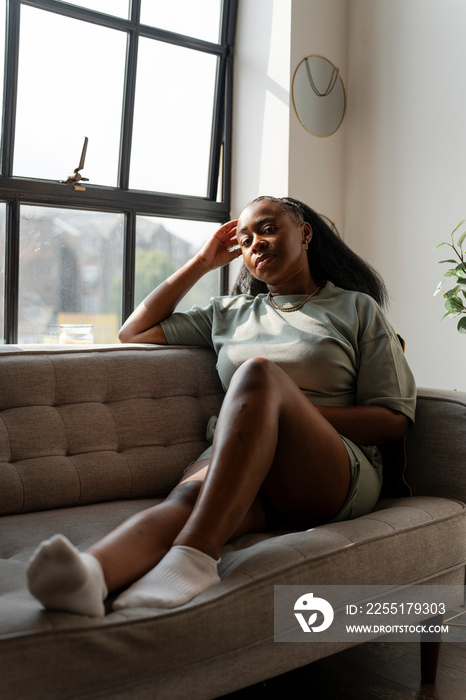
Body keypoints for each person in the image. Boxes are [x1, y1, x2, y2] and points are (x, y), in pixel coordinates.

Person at [27, 196, 416, 617]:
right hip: (244, 461)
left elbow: (392, 421)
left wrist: (277, 412)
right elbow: (132, 331)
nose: (256, 245)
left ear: (305, 233)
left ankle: (196, 556)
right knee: (184, 502)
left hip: (332, 472)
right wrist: (203, 261)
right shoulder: (227, 313)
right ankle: (89, 576)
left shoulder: (356, 308)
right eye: (245, 240)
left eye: (267, 229)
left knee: (258, 376)